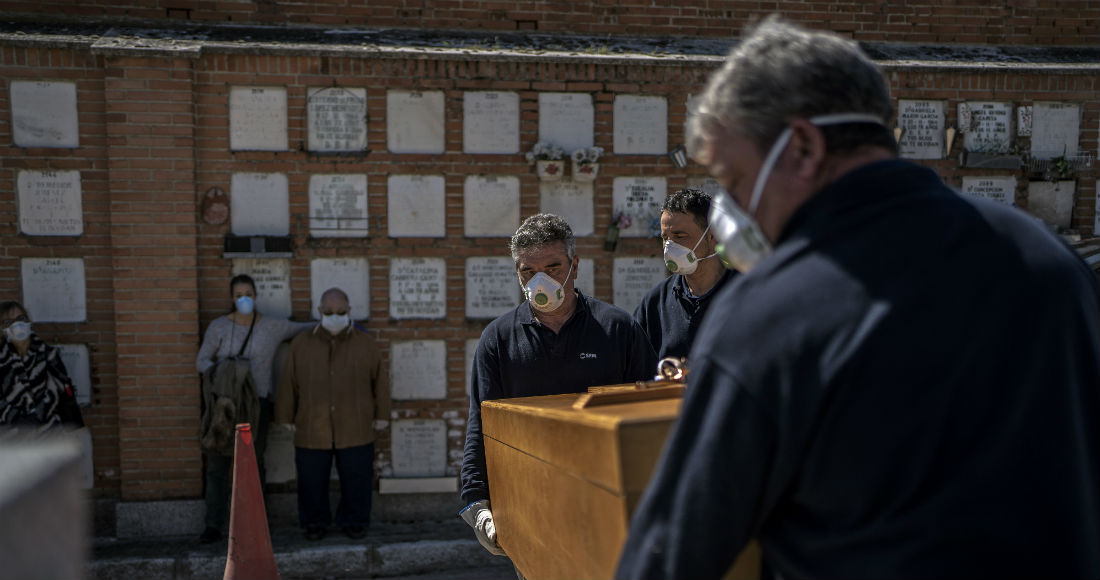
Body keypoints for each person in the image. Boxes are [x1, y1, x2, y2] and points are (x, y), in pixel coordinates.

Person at [616, 16, 1099, 580]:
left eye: (738, 179)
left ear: (800, 146)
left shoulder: (773, 308)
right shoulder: (1049, 261)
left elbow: (671, 554)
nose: (732, 214)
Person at [460, 213, 658, 558]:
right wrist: (476, 502)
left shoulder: (618, 329)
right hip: (528, 505)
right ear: (517, 273)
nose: (540, 280)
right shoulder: (498, 339)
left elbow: (650, 415)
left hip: (605, 501)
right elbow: (482, 422)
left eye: (553, 267)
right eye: (528, 271)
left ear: (575, 266)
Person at [195, 274, 313, 543]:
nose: (243, 299)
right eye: (238, 295)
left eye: (248, 293)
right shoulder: (219, 327)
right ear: (232, 298)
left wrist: (330, 320)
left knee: (253, 465)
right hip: (223, 404)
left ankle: (255, 523)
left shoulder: (271, 327)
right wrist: (223, 372)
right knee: (217, 464)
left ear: (256, 296)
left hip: (255, 404)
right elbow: (201, 360)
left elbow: (301, 328)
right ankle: (213, 524)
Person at [274, 287, 390, 541]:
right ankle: (314, 522)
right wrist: (285, 416)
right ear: (319, 311)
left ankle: (355, 521)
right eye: (328, 311)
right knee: (311, 479)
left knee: (357, 477)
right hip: (312, 425)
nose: (334, 316)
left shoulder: (366, 344)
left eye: (340, 312)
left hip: (355, 423)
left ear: (349, 311)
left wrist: (382, 415)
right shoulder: (302, 344)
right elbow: (288, 382)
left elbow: (380, 381)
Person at [633, 188, 737, 360]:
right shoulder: (656, 302)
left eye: (679, 236)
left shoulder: (745, 292)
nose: (669, 247)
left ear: (712, 236)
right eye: (665, 238)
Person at [0, 301, 83, 430]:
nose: (17, 325)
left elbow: (64, 391)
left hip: (50, 434)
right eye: (8, 322)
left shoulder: (47, 354)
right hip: (12, 438)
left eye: (20, 318)